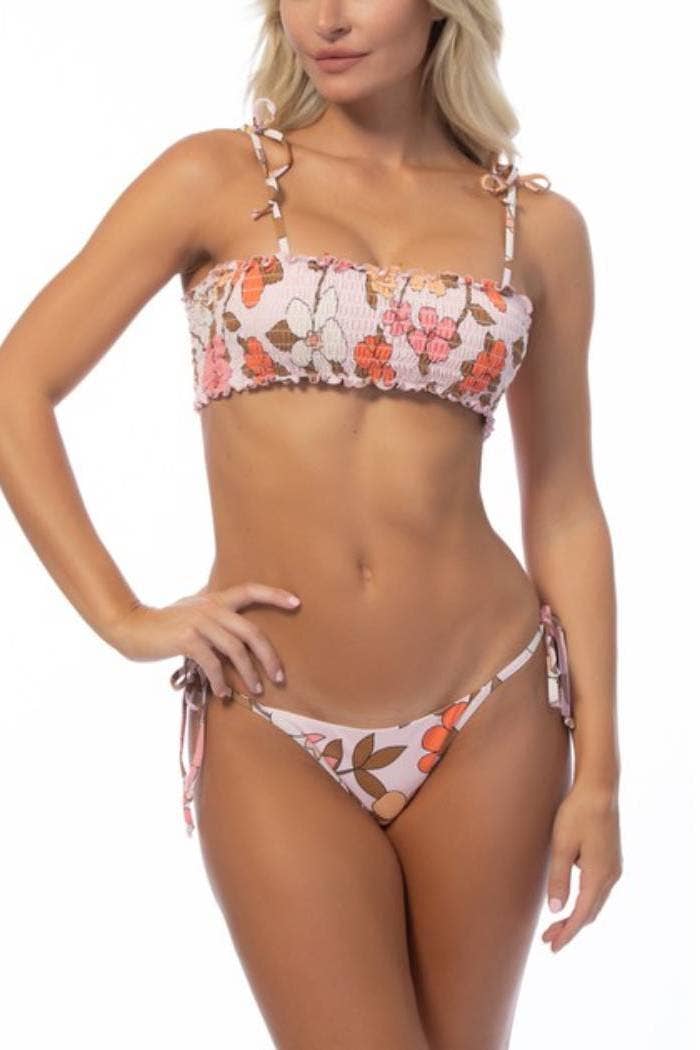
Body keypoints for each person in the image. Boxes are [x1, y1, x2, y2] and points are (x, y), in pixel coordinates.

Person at [0, 2, 622, 1047]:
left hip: (491, 711)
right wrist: (122, 616)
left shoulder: (539, 228)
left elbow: (563, 503)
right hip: (273, 720)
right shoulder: (212, 178)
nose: (325, 18)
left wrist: (599, 773)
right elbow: (17, 385)